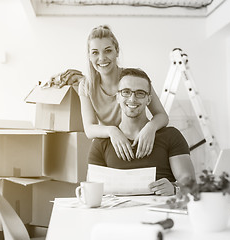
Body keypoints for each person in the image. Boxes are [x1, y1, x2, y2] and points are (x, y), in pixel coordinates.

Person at [88, 68, 195, 196]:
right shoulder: (101, 143)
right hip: (117, 214)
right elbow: (91, 191)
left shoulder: (171, 136)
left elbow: (190, 183)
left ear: (148, 100)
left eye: (140, 93)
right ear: (117, 97)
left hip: (160, 212)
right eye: (126, 92)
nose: (132, 99)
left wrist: (174, 189)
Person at [79, 25, 169, 161]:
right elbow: (89, 129)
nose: (102, 58)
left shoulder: (134, 78)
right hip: (113, 143)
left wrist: (150, 128)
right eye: (95, 52)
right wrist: (112, 131)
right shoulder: (86, 86)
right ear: (89, 56)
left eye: (108, 51)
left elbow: (162, 116)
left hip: (140, 140)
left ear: (117, 51)